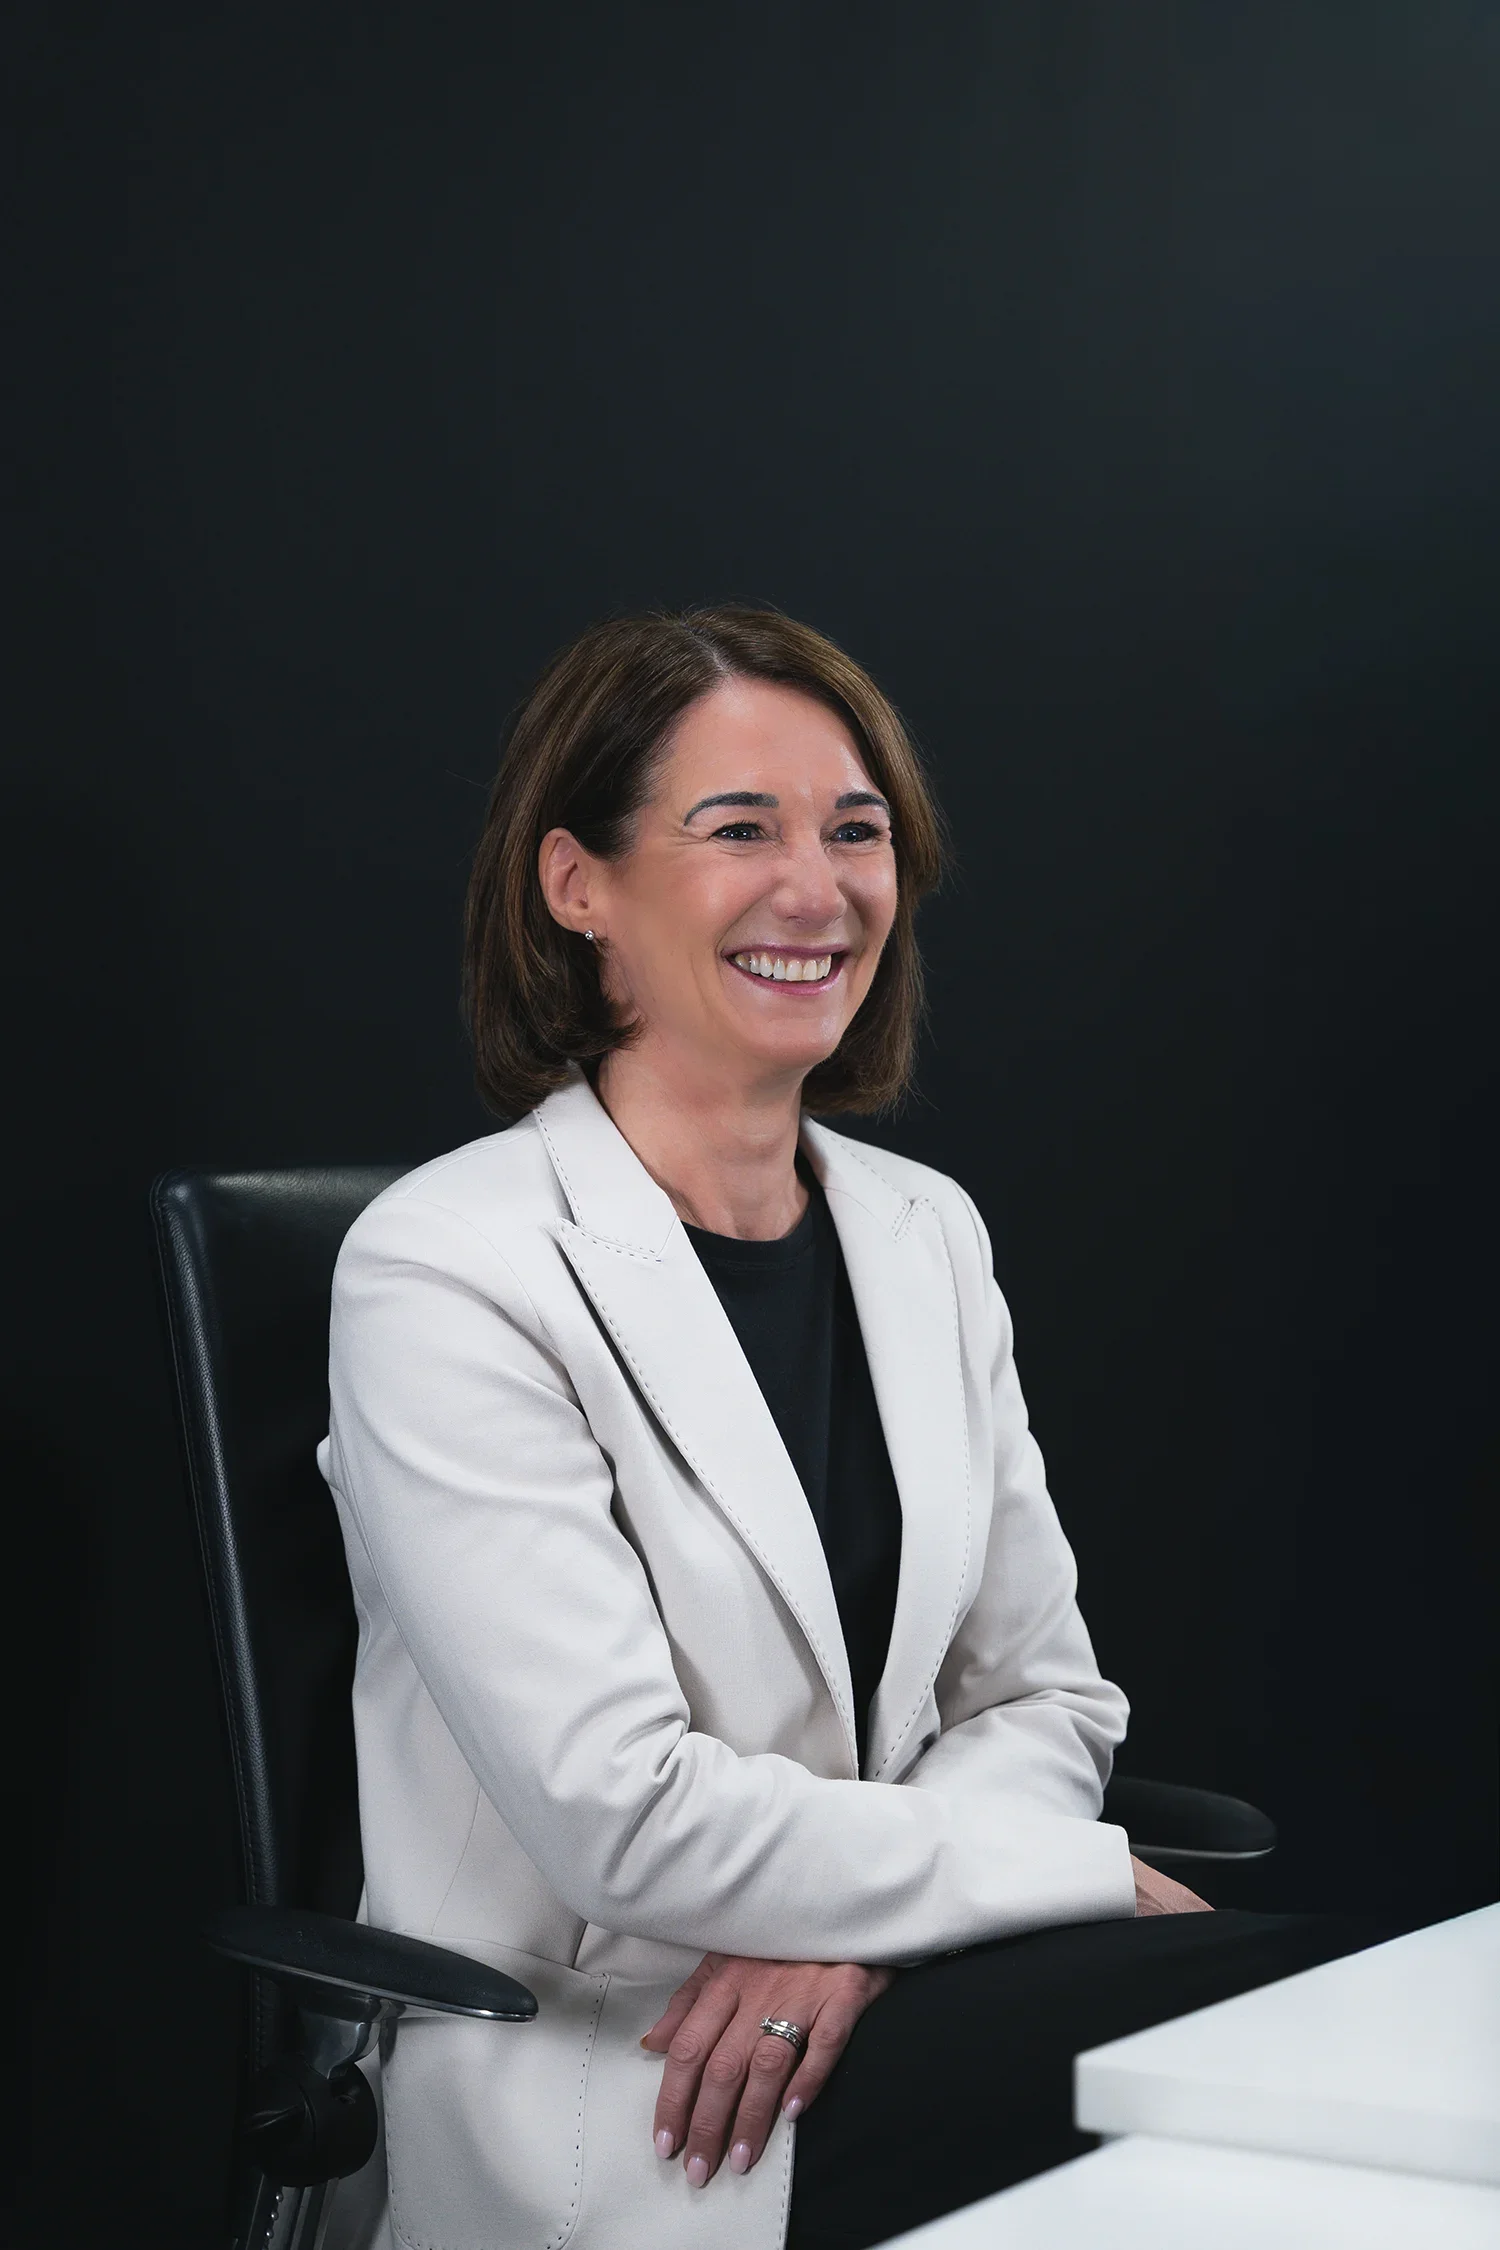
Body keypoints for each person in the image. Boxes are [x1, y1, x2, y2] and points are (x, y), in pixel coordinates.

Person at [321, 607, 1378, 2250]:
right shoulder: (445, 1268)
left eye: (858, 830)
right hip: (643, 2062)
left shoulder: (922, 1229)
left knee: (1362, 2065)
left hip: (892, 1987)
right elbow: (628, 1818)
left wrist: (864, 1936)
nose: (819, 888)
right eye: (739, 827)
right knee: (1332, 2090)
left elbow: (1044, 1693)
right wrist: (1077, 1872)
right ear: (576, 884)